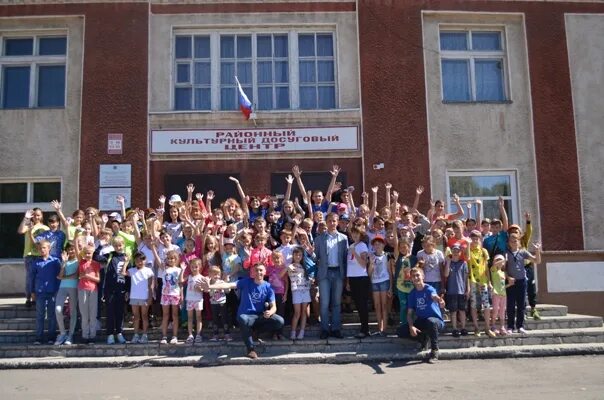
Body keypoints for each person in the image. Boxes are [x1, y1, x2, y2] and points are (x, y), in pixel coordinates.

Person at [201, 263, 284, 359]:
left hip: (260, 316)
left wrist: (270, 312)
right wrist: (210, 287)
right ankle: (250, 349)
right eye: (256, 270)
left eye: (261, 270)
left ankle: (256, 331)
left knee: (280, 321)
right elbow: (229, 284)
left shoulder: (268, 287)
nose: (258, 272)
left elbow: (274, 307)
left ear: (265, 272)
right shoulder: (246, 282)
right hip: (246, 316)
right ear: (252, 272)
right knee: (243, 319)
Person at [398, 267, 445, 363]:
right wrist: (411, 327)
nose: (416, 278)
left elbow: (434, 296)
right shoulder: (412, 294)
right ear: (411, 279)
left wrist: (440, 300)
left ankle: (434, 350)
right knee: (401, 331)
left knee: (431, 322)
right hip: (422, 321)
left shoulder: (429, 288)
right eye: (413, 276)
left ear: (423, 276)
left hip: (436, 322)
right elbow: (409, 313)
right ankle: (423, 338)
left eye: (417, 275)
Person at [313, 213, 349, 339]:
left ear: (338, 222)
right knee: (324, 302)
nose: (332, 223)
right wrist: (309, 252)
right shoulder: (319, 239)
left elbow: (345, 258)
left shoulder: (344, 239)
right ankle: (324, 329)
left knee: (336, 302)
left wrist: (346, 277)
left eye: (334, 221)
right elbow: (315, 258)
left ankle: (335, 329)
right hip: (324, 273)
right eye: (330, 221)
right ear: (326, 222)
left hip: (338, 272)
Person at [93, 236, 129, 345]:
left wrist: (127, 290)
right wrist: (100, 245)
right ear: (113, 246)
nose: (118, 247)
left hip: (121, 289)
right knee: (110, 312)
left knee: (119, 312)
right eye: (116, 245)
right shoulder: (110, 256)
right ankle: (110, 335)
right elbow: (95, 257)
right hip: (109, 290)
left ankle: (119, 332)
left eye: (120, 245)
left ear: (123, 245)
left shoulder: (126, 258)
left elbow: (128, 276)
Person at [505, 233, 542, 334]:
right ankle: (510, 326)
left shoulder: (523, 252)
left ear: (519, 242)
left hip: (521, 281)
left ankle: (520, 326)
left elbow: (537, 261)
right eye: (512, 240)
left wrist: (537, 251)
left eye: (516, 240)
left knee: (521, 305)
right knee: (510, 305)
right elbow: (503, 269)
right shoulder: (506, 253)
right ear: (509, 242)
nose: (514, 242)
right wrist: (508, 277)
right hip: (511, 283)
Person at [30, 240, 61, 344]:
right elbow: (32, 278)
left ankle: (51, 337)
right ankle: (39, 337)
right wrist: (32, 292)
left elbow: (59, 277)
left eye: (44, 248)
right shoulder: (35, 262)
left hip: (52, 291)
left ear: (49, 249)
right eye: (40, 248)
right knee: (40, 315)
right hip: (40, 292)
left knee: (52, 315)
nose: (42, 250)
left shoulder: (55, 261)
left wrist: (58, 290)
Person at [18, 208, 49, 308]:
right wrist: (26, 218)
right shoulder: (28, 225)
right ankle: (28, 298)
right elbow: (20, 231)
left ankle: (36, 299)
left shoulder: (45, 228)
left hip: (41, 255)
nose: (36, 217)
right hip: (30, 255)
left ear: (42, 216)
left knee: (39, 278)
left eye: (38, 215)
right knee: (30, 277)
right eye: (34, 215)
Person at [122, 252, 154, 344]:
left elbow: (150, 285)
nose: (139, 262)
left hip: (144, 297)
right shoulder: (132, 270)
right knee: (136, 317)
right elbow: (123, 273)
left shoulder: (149, 271)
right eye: (137, 261)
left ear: (145, 260)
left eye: (141, 260)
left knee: (144, 316)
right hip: (134, 297)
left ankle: (144, 335)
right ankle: (135, 335)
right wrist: (126, 262)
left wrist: (150, 297)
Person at [54, 243, 79, 346]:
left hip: (74, 287)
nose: (71, 251)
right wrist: (64, 263)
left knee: (73, 311)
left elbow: (76, 275)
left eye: (73, 249)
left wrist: (63, 277)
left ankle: (70, 335)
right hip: (62, 287)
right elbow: (60, 275)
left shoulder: (78, 261)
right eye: (69, 249)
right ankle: (63, 333)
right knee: (58, 309)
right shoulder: (64, 261)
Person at [368, 235, 392, 336]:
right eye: (375, 244)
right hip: (375, 282)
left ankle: (384, 329)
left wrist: (391, 286)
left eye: (379, 244)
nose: (377, 246)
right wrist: (371, 265)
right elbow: (369, 274)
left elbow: (390, 272)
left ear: (383, 245)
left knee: (384, 305)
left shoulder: (387, 255)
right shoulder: (371, 256)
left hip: (384, 281)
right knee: (377, 306)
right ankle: (380, 328)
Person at [443, 244, 469, 337]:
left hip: (462, 290)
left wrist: (467, 290)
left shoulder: (464, 263)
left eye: (457, 251)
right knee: (453, 311)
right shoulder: (448, 263)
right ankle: (454, 328)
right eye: (454, 251)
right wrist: (448, 262)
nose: (455, 253)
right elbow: (446, 275)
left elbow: (466, 278)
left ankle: (463, 328)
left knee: (462, 310)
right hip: (451, 291)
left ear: (460, 252)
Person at [288, 247, 311, 340]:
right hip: (296, 291)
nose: (298, 256)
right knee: (297, 313)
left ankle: (302, 332)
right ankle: (293, 332)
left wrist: (310, 281)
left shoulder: (304, 266)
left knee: (304, 312)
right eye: (296, 254)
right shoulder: (290, 265)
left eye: (300, 255)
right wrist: (288, 267)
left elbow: (305, 279)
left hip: (305, 290)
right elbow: (288, 271)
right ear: (293, 255)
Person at [208, 265, 231, 341]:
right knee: (215, 319)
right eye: (214, 274)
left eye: (218, 274)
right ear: (210, 275)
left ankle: (227, 334)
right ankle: (215, 334)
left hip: (222, 303)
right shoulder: (209, 283)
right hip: (214, 303)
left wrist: (227, 283)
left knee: (224, 318)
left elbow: (228, 291)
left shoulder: (222, 282)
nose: (216, 276)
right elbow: (209, 293)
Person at [185, 258, 205, 344]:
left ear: (200, 267)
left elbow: (205, 290)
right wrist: (182, 269)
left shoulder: (202, 278)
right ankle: (190, 335)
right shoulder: (189, 277)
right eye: (192, 267)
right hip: (189, 299)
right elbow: (181, 281)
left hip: (198, 300)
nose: (194, 269)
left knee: (198, 317)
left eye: (196, 267)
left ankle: (198, 334)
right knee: (189, 318)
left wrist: (200, 289)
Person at [490, 254, 509, 335]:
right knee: (495, 310)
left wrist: (509, 284)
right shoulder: (493, 270)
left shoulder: (503, 273)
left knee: (502, 311)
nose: (499, 262)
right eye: (497, 260)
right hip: (496, 293)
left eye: (500, 260)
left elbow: (503, 285)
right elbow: (494, 265)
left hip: (503, 294)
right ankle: (493, 326)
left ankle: (502, 326)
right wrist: (504, 259)